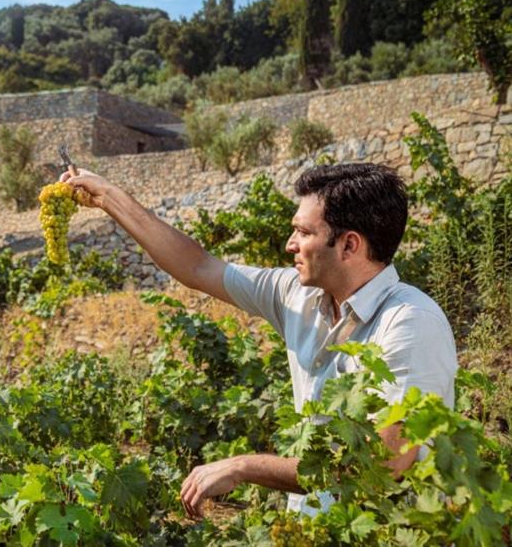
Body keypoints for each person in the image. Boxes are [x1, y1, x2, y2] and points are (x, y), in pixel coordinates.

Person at [60, 162, 457, 518]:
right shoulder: (296, 295)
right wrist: (107, 196)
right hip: (309, 527)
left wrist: (246, 466)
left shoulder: (410, 324)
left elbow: (380, 470)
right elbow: (197, 265)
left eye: (303, 232)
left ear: (349, 244)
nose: (290, 244)